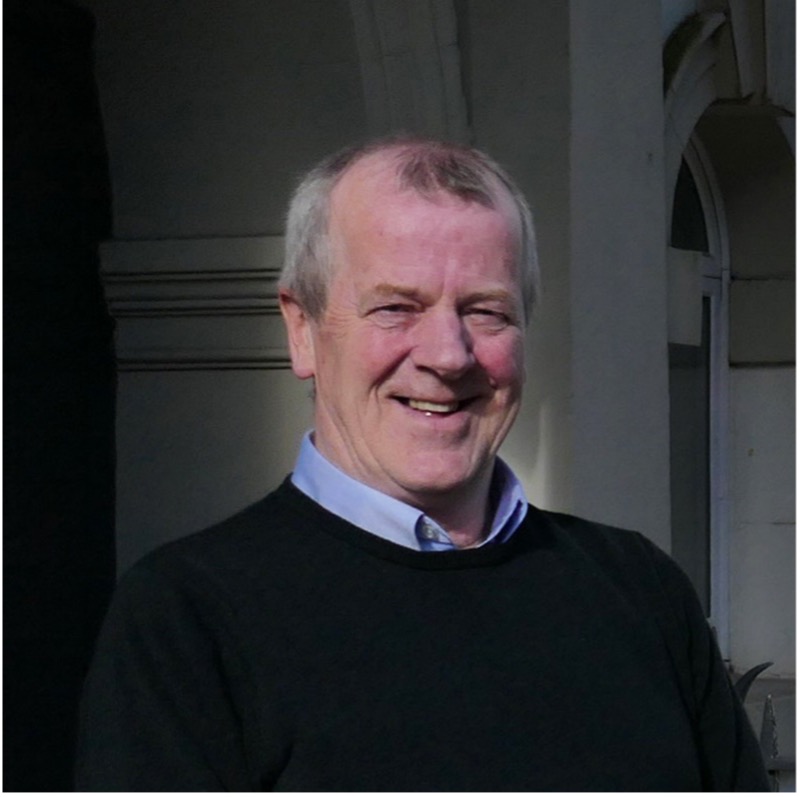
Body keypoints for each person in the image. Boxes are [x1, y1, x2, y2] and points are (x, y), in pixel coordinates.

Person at [75, 136, 768, 791]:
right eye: (397, 307)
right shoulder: (185, 620)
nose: (449, 354)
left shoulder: (641, 592)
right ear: (302, 329)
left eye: (486, 311)